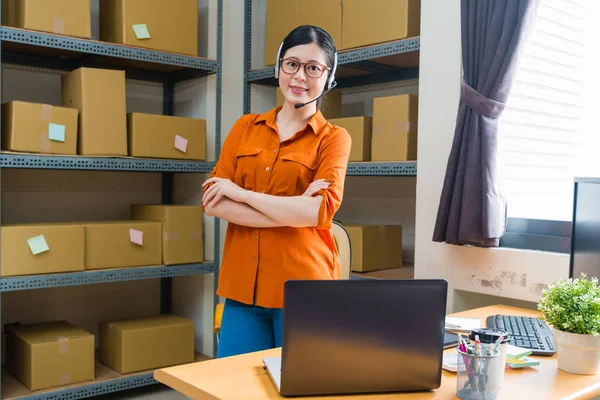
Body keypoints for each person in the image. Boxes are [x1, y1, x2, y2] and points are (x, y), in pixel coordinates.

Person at [201, 25, 351, 358]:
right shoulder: (245, 127)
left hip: (303, 291)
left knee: (298, 390)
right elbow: (213, 200)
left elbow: (318, 212)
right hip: (242, 291)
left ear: (329, 76)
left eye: (313, 68)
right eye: (292, 64)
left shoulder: (334, 139)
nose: (300, 76)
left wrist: (242, 194)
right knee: (234, 390)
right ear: (279, 67)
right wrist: (293, 209)